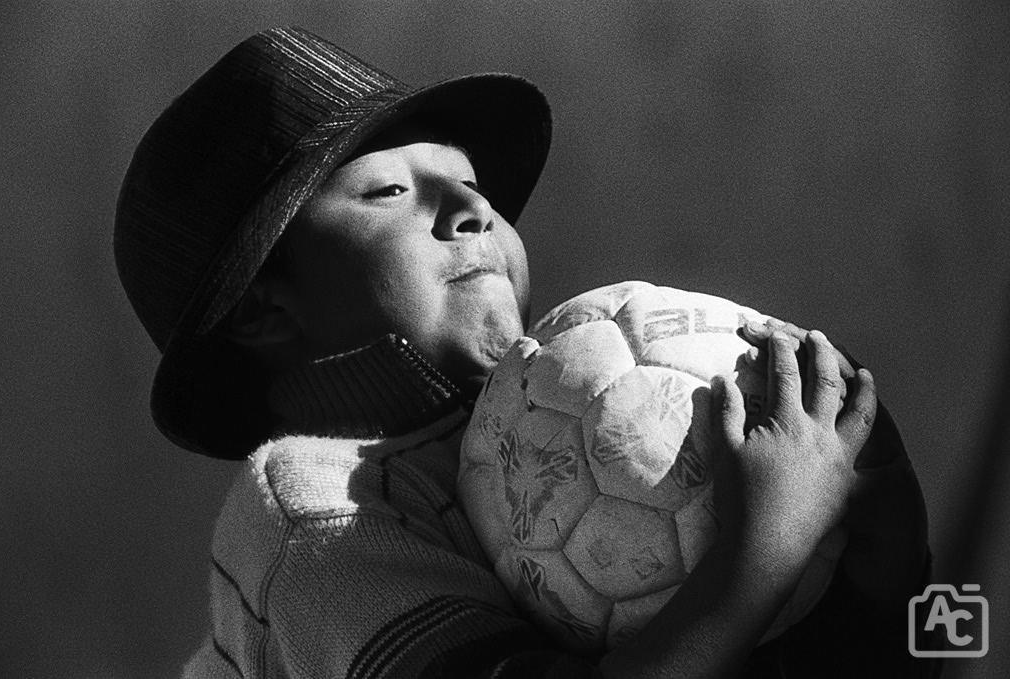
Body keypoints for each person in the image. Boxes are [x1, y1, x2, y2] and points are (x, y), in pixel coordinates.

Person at [114, 27, 939, 678]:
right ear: (264, 309)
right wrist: (765, 547)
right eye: (390, 191)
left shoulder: (572, 435)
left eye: (473, 185)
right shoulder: (313, 514)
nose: (471, 207)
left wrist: (890, 564)